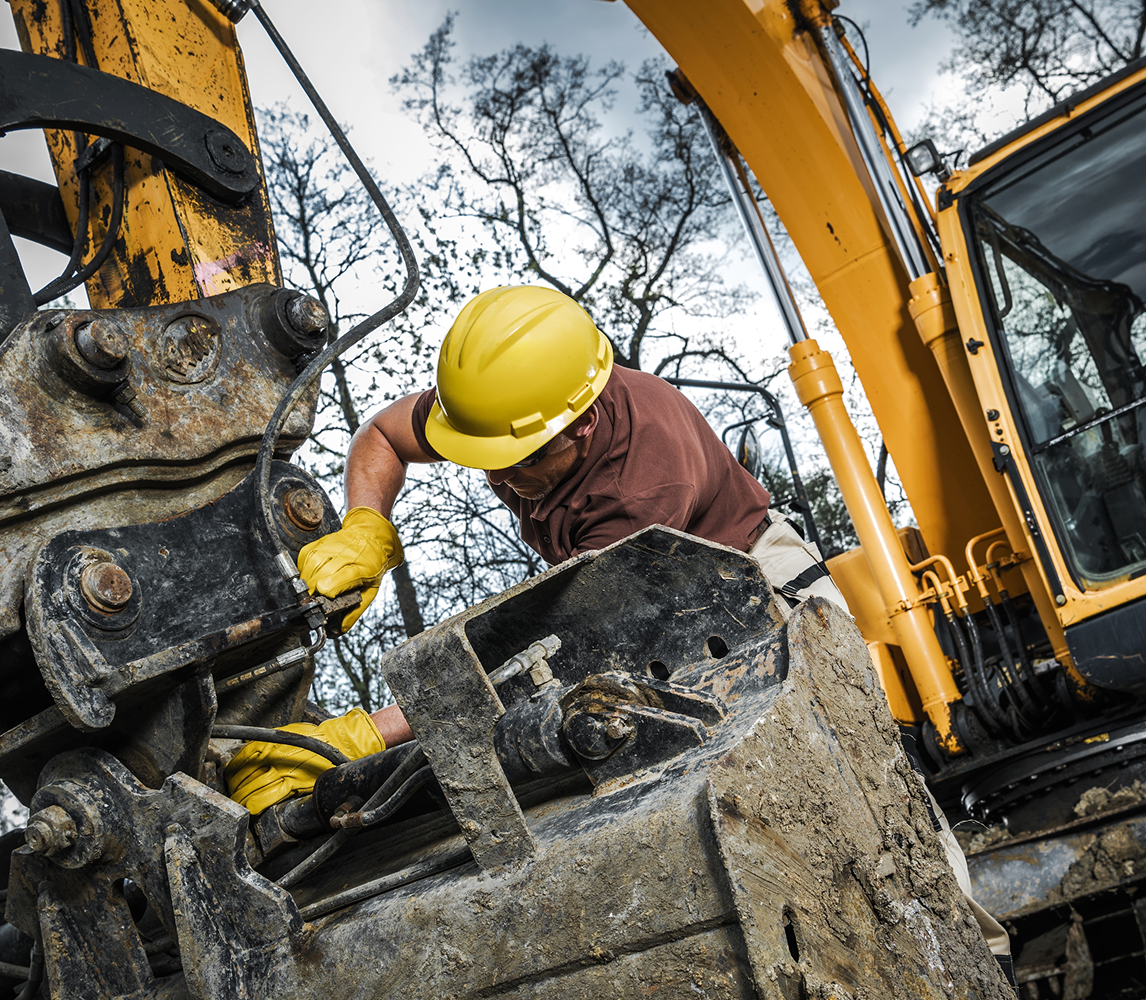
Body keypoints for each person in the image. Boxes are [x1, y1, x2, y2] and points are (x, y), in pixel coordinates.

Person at [223, 284, 842, 814]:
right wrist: (366, 529)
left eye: (521, 460)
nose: (502, 477)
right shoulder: (512, 406)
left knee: (832, 767)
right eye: (482, 456)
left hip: (751, 584)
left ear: (583, 425)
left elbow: (566, 642)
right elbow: (382, 434)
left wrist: (364, 736)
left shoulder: (640, 486)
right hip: (643, 596)